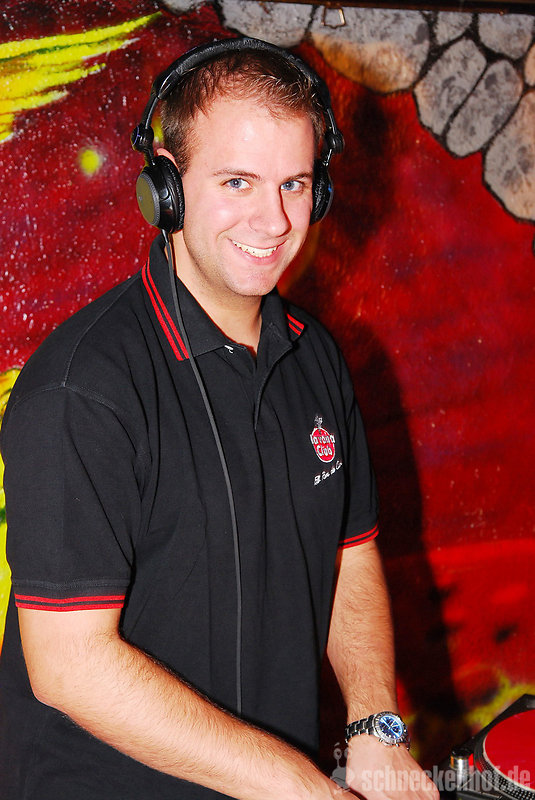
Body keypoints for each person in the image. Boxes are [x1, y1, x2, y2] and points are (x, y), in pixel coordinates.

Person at [0, 37, 439, 800]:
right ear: (163, 187)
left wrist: (374, 725)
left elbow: (351, 552)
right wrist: (302, 788)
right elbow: (70, 664)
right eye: (237, 181)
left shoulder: (315, 357)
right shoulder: (81, 389)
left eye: (294, 184)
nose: (273, 220)